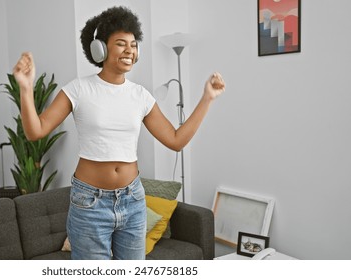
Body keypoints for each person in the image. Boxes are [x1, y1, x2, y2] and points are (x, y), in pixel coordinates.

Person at [13, 6, 225, 260]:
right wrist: (26, 90)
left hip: (132, 199)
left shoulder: (140, 96)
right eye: (121, 44)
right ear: (100, 49)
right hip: (89, 203)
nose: (130, 51)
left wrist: (207, 99)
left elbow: (176, 140)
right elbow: (35, 131)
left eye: (134, 45)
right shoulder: (79, 89)